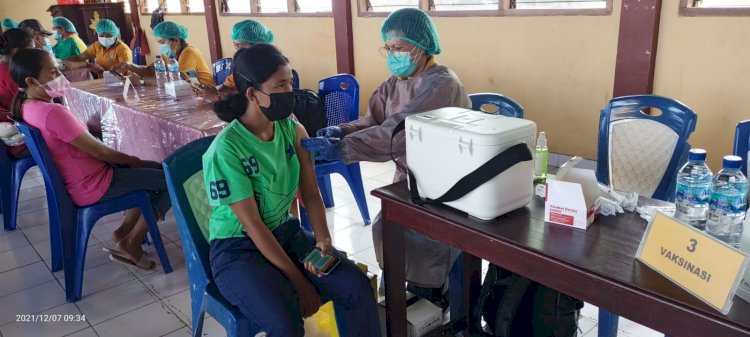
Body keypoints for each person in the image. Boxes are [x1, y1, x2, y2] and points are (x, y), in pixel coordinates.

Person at [204, 44, 380, 336]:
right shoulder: (226, 149)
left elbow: (310, 193)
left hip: (285, 234)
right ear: (252, 93)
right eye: (281, 85)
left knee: (356, 287)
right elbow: (253, 226)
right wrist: (299, 281)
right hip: (238, 249)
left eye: (291, 83)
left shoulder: (291, 129)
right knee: (285, 321)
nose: (290, 93)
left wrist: (323, 240)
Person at [302, 8, 471, 305]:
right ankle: (400, 283)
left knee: (425, 237)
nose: (393, 55)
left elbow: (399, 133)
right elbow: (373, 120)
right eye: (388, 48)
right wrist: (341, 130)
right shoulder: (395, 82)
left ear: (420, 47)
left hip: (447, 182)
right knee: (387, 225)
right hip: (411, 177)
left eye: (399, 48)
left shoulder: (441, 84)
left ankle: (434, 294)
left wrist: (343, 148)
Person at [10, 48, 170, 270]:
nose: (60, 76)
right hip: (94, 183)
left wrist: (133, 162)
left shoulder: (27, 107)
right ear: (31, 80)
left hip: (81, 178)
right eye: (53, 72)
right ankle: (132, 241)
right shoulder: (52, 112)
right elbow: (101, 153)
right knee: (172, 180)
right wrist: (131, 160)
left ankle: (123, 233)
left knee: (157, 169)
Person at [112, 21, 214, 86]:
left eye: (162, 42)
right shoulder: (169, 54)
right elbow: (152, 70)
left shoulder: (189, 53)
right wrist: (130, 66)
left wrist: (140, 81)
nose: (160, 46)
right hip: (187, 93)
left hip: (204, 93)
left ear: (176, 41)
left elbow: (178, 81)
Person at [194, 19, 274, 100]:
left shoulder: (267, 68)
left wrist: (217, 97)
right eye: (235, 45)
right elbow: (228, 87)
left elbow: (254, 100)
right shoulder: (243, 66)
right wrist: (209, 90)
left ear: (257, 46)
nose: (236, 50)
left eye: (239, 45)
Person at [0, 28, 32, 159]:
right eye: (31, 50)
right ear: (17, 52)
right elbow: (33, 108)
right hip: (24, 144)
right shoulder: (13, 75)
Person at [63, 19, 132, 77]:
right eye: (101, 35)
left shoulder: (123, 50)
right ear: (98, 34)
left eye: (108, 35)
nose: (105, 38)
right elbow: (79, 58)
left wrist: (103, 73)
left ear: (114, 34)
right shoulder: (97, 46)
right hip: (100, 79)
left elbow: (125, 72)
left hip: (117, 81)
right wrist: (60, 62)